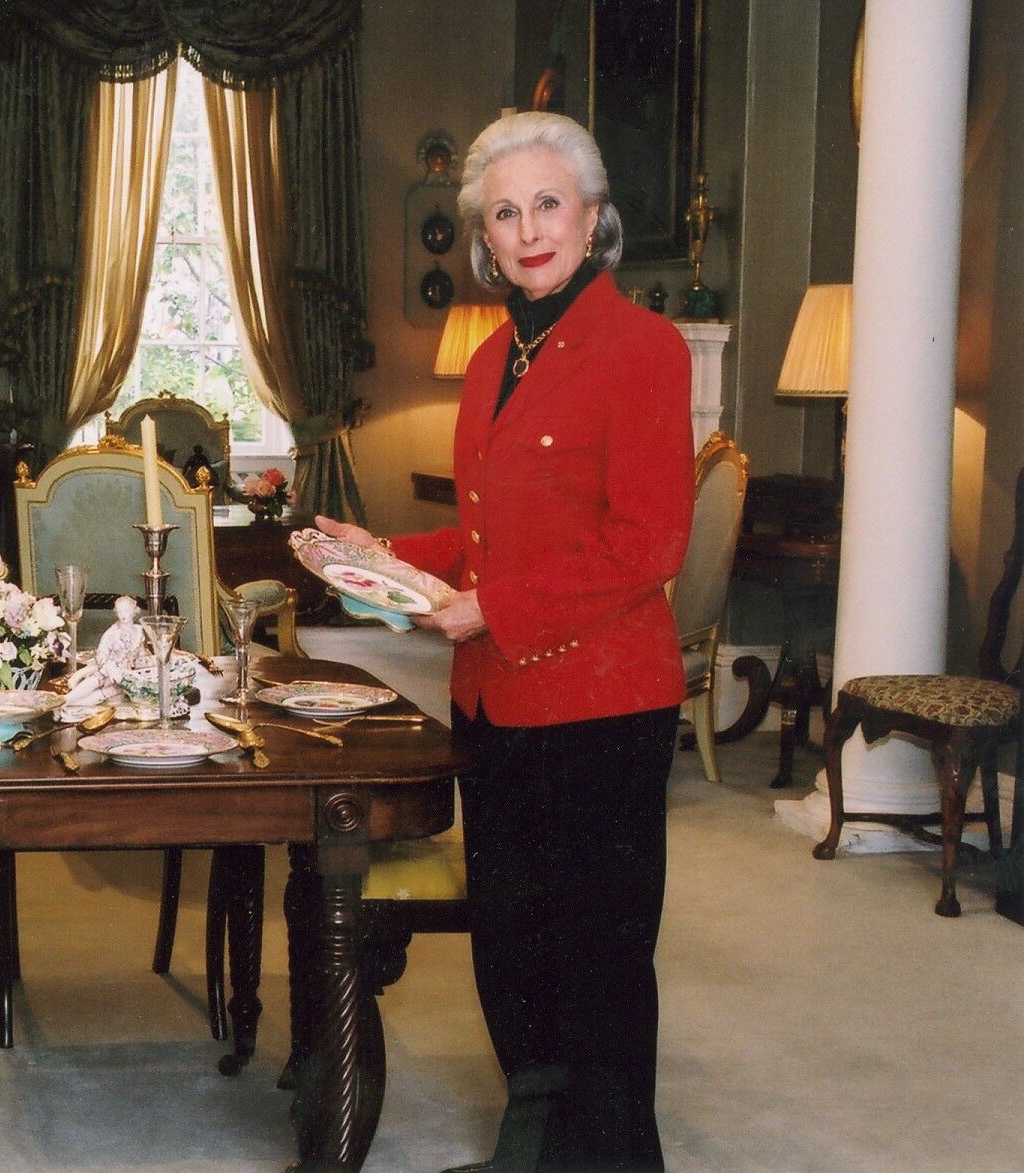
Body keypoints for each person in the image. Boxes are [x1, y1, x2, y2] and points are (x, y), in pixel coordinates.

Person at [319, 111, 693, 1172]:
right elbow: (491, 539)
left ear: (592, 216)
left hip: (603, 709)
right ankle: (534, 1153)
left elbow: (648, 543)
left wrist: (491, 608)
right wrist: (387, 555)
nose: (528, 230)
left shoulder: (645, 348)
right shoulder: (492, 359)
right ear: (485, 237)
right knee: (514, 953)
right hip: (496, 700)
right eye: (504, 213)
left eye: (548, 205)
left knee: (599, 963)